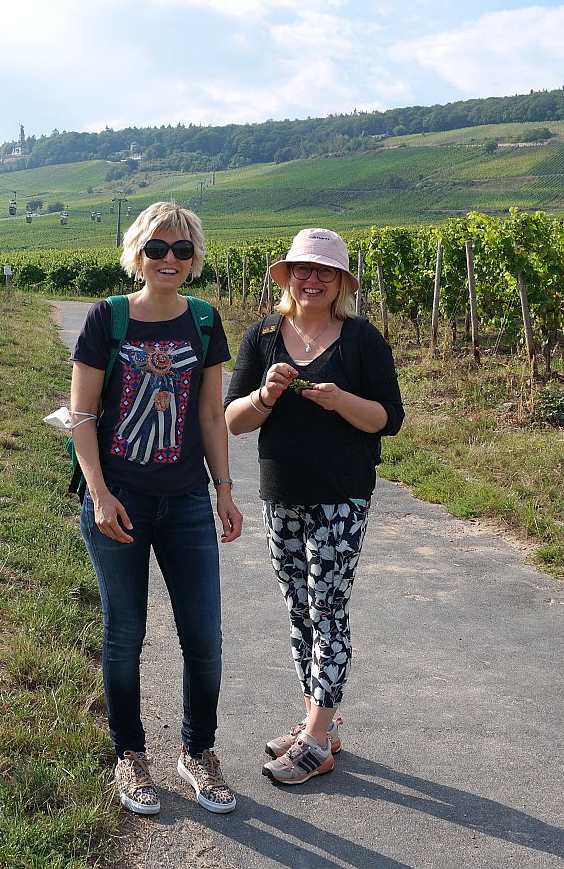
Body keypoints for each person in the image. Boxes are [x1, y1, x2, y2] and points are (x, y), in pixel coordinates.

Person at [70, 201, 244, 816]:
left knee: (205, 637)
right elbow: (84, 417)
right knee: (126, 635)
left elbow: (207, 414)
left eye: (181, 249)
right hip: (119, 500)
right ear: (137, 253)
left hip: (188, 502)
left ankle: (198, 752)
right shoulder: (107, 319)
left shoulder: (203, 321)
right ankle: (130, 756)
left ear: (194, 258)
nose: (169, 258)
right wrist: (99, 493)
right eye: (157, 248)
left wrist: (223, 488)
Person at [224, 227, 404, 785]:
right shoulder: (263, 337)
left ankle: (318, 740)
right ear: (287, 275)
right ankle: (314, 722)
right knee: (298, 609)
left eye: (324, 271)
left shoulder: (361, 341)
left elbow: (388, 419)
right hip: (282, 493)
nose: (312, 279)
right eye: (303, 269)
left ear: (341, 283)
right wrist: (267, 394)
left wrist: (340, 400)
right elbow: (233, 419)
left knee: (327, 608)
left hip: (341, 495)